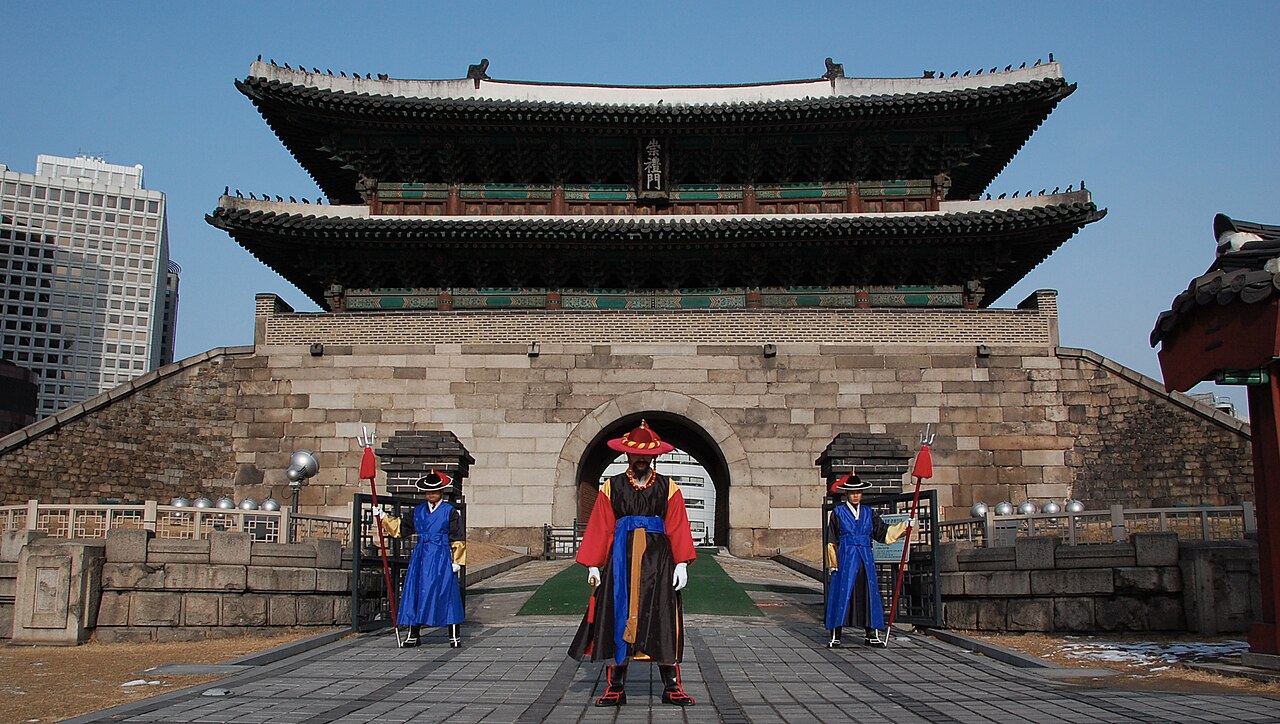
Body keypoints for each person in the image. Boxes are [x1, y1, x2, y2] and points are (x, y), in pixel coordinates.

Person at [568, 420, 697, 707]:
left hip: (658, 561)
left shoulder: (669, 487)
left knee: (663, 616)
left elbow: (677, 524)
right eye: (635, 455)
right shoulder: (611, 487)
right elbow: (601, 525)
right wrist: (592, 564)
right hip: (620, 561)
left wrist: (682, 563)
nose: (641, 460)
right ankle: (615, 685)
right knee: (617, 613)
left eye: (646, 456)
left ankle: (672, 685)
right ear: (626, 454)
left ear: (654, 456)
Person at [375, 469, 465, 648]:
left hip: (440, 556)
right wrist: (384, 517)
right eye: (428, 492)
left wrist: (457, 560)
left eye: (435, 491)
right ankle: (413, 634)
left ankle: (454, 635)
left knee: (446, 592)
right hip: (421, 556)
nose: (431, 494)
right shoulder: (418, 512)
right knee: (415, 592)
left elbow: (458, 537)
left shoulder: (450, 512)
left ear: (441, 492)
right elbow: (401, 528)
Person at [824, 471, 912, 649]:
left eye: (858, 492)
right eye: (852, 492)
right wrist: (833, 563)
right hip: (847, 555)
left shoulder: (869, 513)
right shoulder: (838, 512)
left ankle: (871, 633)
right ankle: (836, 633)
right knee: (842, 593)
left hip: (865, 556)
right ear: (847, 494)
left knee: (868, 593)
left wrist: (904, 526)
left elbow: (882, 533)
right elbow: (832, 540)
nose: (856, 495)